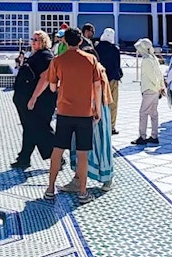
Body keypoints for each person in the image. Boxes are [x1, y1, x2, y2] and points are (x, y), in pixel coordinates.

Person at [28, 27, 102, 204]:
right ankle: (82, 192)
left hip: (64, 112)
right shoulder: (91, 59)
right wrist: (97, 109)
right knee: (83, 153)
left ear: (64, 41)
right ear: (81, 41)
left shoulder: (58, 61)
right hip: (84, 113)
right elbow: (97, 86)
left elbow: (52, 86)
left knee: (57, 150)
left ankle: (50, 189)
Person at [62, 54, 114, 192]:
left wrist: (97, 110)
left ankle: (106, 177)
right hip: (84, 111)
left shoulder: (97, 70)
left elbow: (99, 90)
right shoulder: (88, 69)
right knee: (82, 145)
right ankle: (78, 178)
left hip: (96, 111)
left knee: (98, 144)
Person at [11, 30, 57, 169]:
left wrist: (33, 98)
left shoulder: (45, 56)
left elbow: (45, 78)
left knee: (40, 128)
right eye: (33, 39)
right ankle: (24, 157)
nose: (34, 41)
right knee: (29, 128)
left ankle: (56, 155)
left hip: (40, 101)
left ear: (44, 41)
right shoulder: (34, 55)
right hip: (26, 99)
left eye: (37, 39)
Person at [131, 38, 165, 146]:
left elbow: (151, 76)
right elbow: (159, 74)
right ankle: (154, 136)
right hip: (155, 89)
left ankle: (142, 136)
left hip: (149, 89)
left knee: (143, 112)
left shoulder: (146, 59)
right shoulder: (153, 57)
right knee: (154, 113)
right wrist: (161, 86)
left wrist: (156, 86)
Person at [95, 27, 122, 135]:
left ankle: (100, 123)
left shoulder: (97, 47)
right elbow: (117, 65)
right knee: (113, 103)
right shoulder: (115, 49)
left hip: (100, 78)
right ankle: (111, 126)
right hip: (112, 79)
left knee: (100, 102)